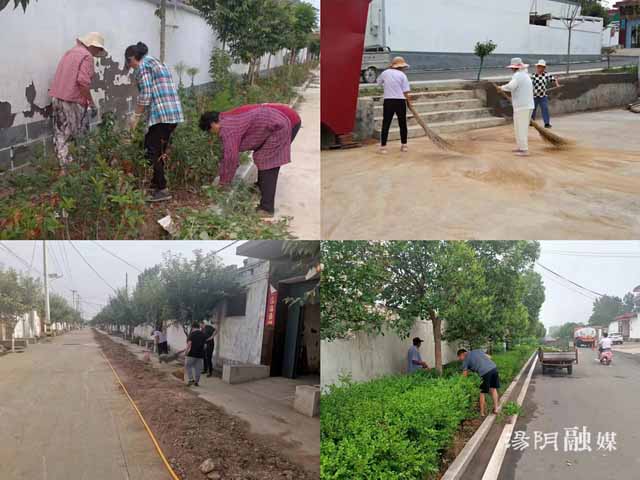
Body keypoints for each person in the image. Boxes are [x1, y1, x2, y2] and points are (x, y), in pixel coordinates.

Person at [198, 104, 298, 217]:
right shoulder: (226, 118)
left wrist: (224, 183)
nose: (213, 134)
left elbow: (231, 158)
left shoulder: (226, 128)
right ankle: (261, 187)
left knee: (267, 163)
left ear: (213, 124)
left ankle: (266, 209)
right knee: (262, 157)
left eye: (210, 131)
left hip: (279, 127)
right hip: (276, 122)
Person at [125, 42, 184, 203]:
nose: (130, 67)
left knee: (151, 151)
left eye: (129, 63)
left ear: (132, 59)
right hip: (172, 114)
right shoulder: (155, 62)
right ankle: (155, 183)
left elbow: (146, 93)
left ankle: (162, 189)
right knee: (159, 150)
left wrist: (136, 116)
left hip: (162, 115)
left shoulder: (143, 66)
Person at [49, 32, 107, 169]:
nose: (97, 53)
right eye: (98, 49)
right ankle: (80, 168)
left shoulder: (69, 53)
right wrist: (91, 103)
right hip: (73, 100)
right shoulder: (86, 56)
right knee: (79, 134)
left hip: (57, 97)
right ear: (92, 46)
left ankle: (64, 166)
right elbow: (82, 82)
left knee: (60, 133)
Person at [377, 56, 412, 155]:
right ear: (401, 66)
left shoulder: (385, 73)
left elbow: (378, 82)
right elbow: (406, 92)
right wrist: (409, 103)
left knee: (386, 124)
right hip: (400, 101)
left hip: (388, 101)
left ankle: (383, 147)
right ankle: (404, 145)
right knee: (402, 124)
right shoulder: (402, 75)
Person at [500, 58, 534, 157]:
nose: (512, 69)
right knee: (518, 128)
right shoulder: (524, 75)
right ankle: (520, 147)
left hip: (523, 106)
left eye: (513, 67)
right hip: (523, 106)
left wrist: (501, 87)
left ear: (515, 68)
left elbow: (511, 86)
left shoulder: (518, 76)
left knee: (521, 128)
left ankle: (524, 149)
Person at [458, 348, 501, 416]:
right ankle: (496, 409)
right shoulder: (477, 350)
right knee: (493, 389)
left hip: (484, 372)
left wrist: (460, 384)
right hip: (494, 368)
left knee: (482, 392)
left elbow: (464, 375)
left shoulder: (465, 360)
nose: (460, 359)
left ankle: (482, 413)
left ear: (463, 354)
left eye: (460, 357)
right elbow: (489, 357)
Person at [531, 59, 560, 129]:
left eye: (541, 67)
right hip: (534, 96)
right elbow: (530, 85)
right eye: (539, 67)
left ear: (544, 68)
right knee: (533, 109)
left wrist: (557, 84)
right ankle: (531, 122)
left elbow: (554, 79)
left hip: (543, 96)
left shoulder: (546, 75)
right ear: (537, 67)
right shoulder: (533, 76)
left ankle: (547, 123)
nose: (540, 68)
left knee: (545, 108)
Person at [185, 322, 207, 386]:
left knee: (188, 366)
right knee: (198, 369)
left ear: (192, 327)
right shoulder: (203, 334)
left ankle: (191, 379)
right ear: (198, 327)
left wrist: (186, 352)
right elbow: (205, 346)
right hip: (200, 355)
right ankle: (196, 382)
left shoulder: (192, 334)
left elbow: (189, 344)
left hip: (192, 354)